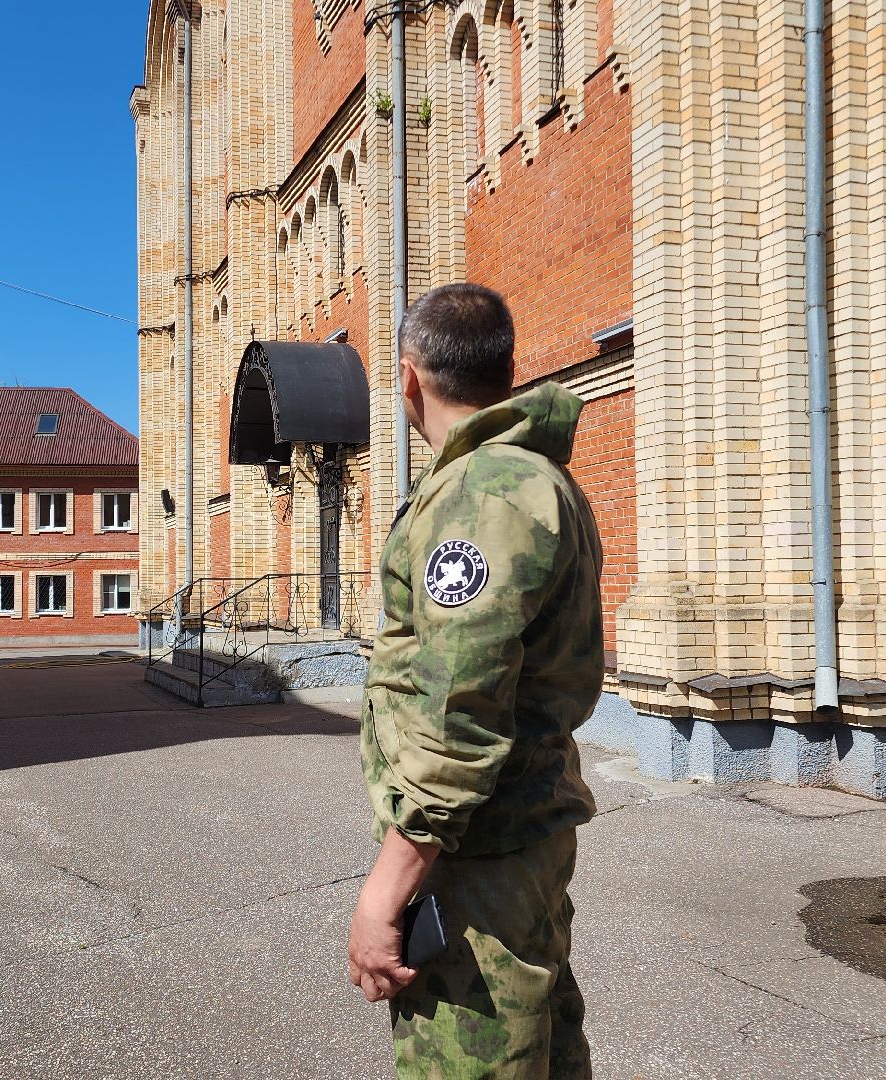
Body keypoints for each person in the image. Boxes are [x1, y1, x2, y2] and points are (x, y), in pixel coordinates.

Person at [347, 282, 604, 1078]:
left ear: (409, 377)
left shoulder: (484, 494)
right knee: (538, 1051)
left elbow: (459, 712)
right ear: (507, 368)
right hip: (506, 841)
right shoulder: (527, 480)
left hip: (475, 858)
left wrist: (385, 891)